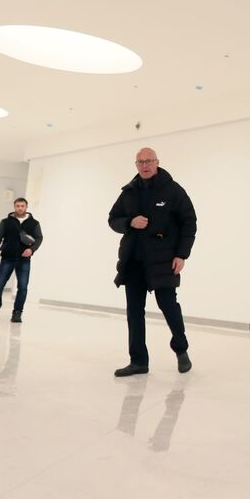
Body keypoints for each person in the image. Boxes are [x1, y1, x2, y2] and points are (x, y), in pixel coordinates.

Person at [108, 148, 198, 376]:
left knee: (169, 307)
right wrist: (130, 222)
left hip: (163, 261)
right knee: (134, 312)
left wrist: (182, 255)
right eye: (140, 162)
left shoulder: (173, 190)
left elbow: (189, 222)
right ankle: (139, 361)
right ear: (135, 164)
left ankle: (181, 349)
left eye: (149, 161)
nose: (145, 165)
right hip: (134, 262)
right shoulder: (128, 192)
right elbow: (113, 219)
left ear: (157, 162)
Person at [0, 198, 43, 323]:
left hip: (24, 259)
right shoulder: (5, 222)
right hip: (7, 257)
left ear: (26, 207)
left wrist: (31, 250)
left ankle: (17, 313)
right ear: (14, 207)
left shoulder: (34, 223)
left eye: (22, 206)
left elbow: (39, 238)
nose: (20, 208)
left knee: (22, 287)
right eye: (17, 206)